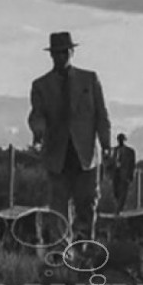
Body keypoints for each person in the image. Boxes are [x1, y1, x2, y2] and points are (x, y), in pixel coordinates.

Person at [28, 32, 111, 244]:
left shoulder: (89, 79)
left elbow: (101, 114)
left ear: (72, 52)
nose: (61, 56)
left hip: (85, 154)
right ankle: (62, 252)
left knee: (87, 203)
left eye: (65, 52)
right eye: (57, 53)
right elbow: (37, 114)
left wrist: (106, 144)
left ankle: (84, 248)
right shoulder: (41, 85)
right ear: (51, 55)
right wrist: (38, 134)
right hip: (57, 154)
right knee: (58, 207)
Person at [109, 133, 136, 214]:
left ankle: (118, 211)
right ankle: (118, 209)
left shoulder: (130, 151)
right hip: (115, 174)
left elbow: (132, 164)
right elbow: (109, 162)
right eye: (119, 139)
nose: (120, 141)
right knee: (116, 192)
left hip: (124, 174)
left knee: (123, 194)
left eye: (122, 139)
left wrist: (131, 175)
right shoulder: (113, 150)